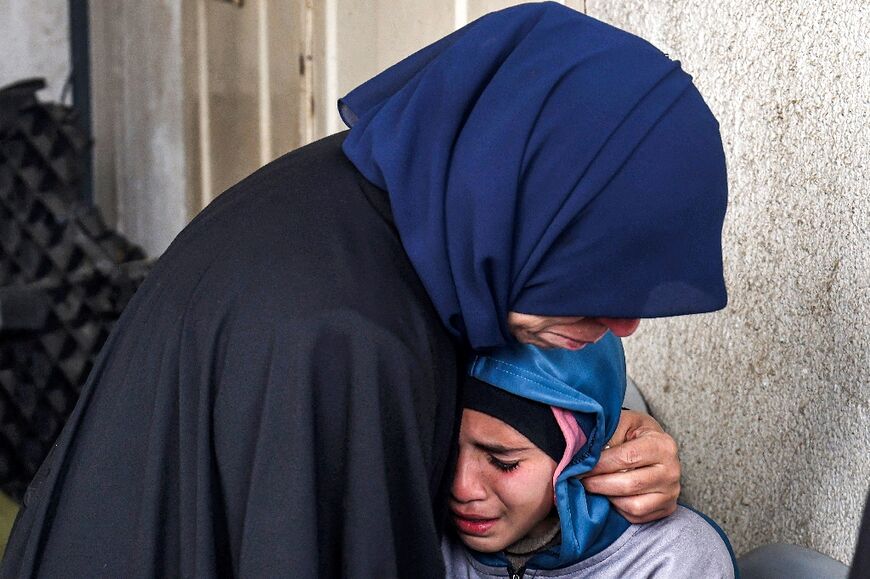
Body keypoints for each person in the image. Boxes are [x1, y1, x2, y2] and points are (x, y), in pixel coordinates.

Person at [1, 2, 728, 577]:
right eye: (593, 270)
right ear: (517, 198)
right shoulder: (348, 337)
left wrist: (612, 435)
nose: (624, 321)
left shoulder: (373, 205)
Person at [443, 333, 736, 578]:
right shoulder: (421, 527)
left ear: (575, 455)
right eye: (446, 450)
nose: (461, 488)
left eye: (503, 462)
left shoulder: (670, 561)